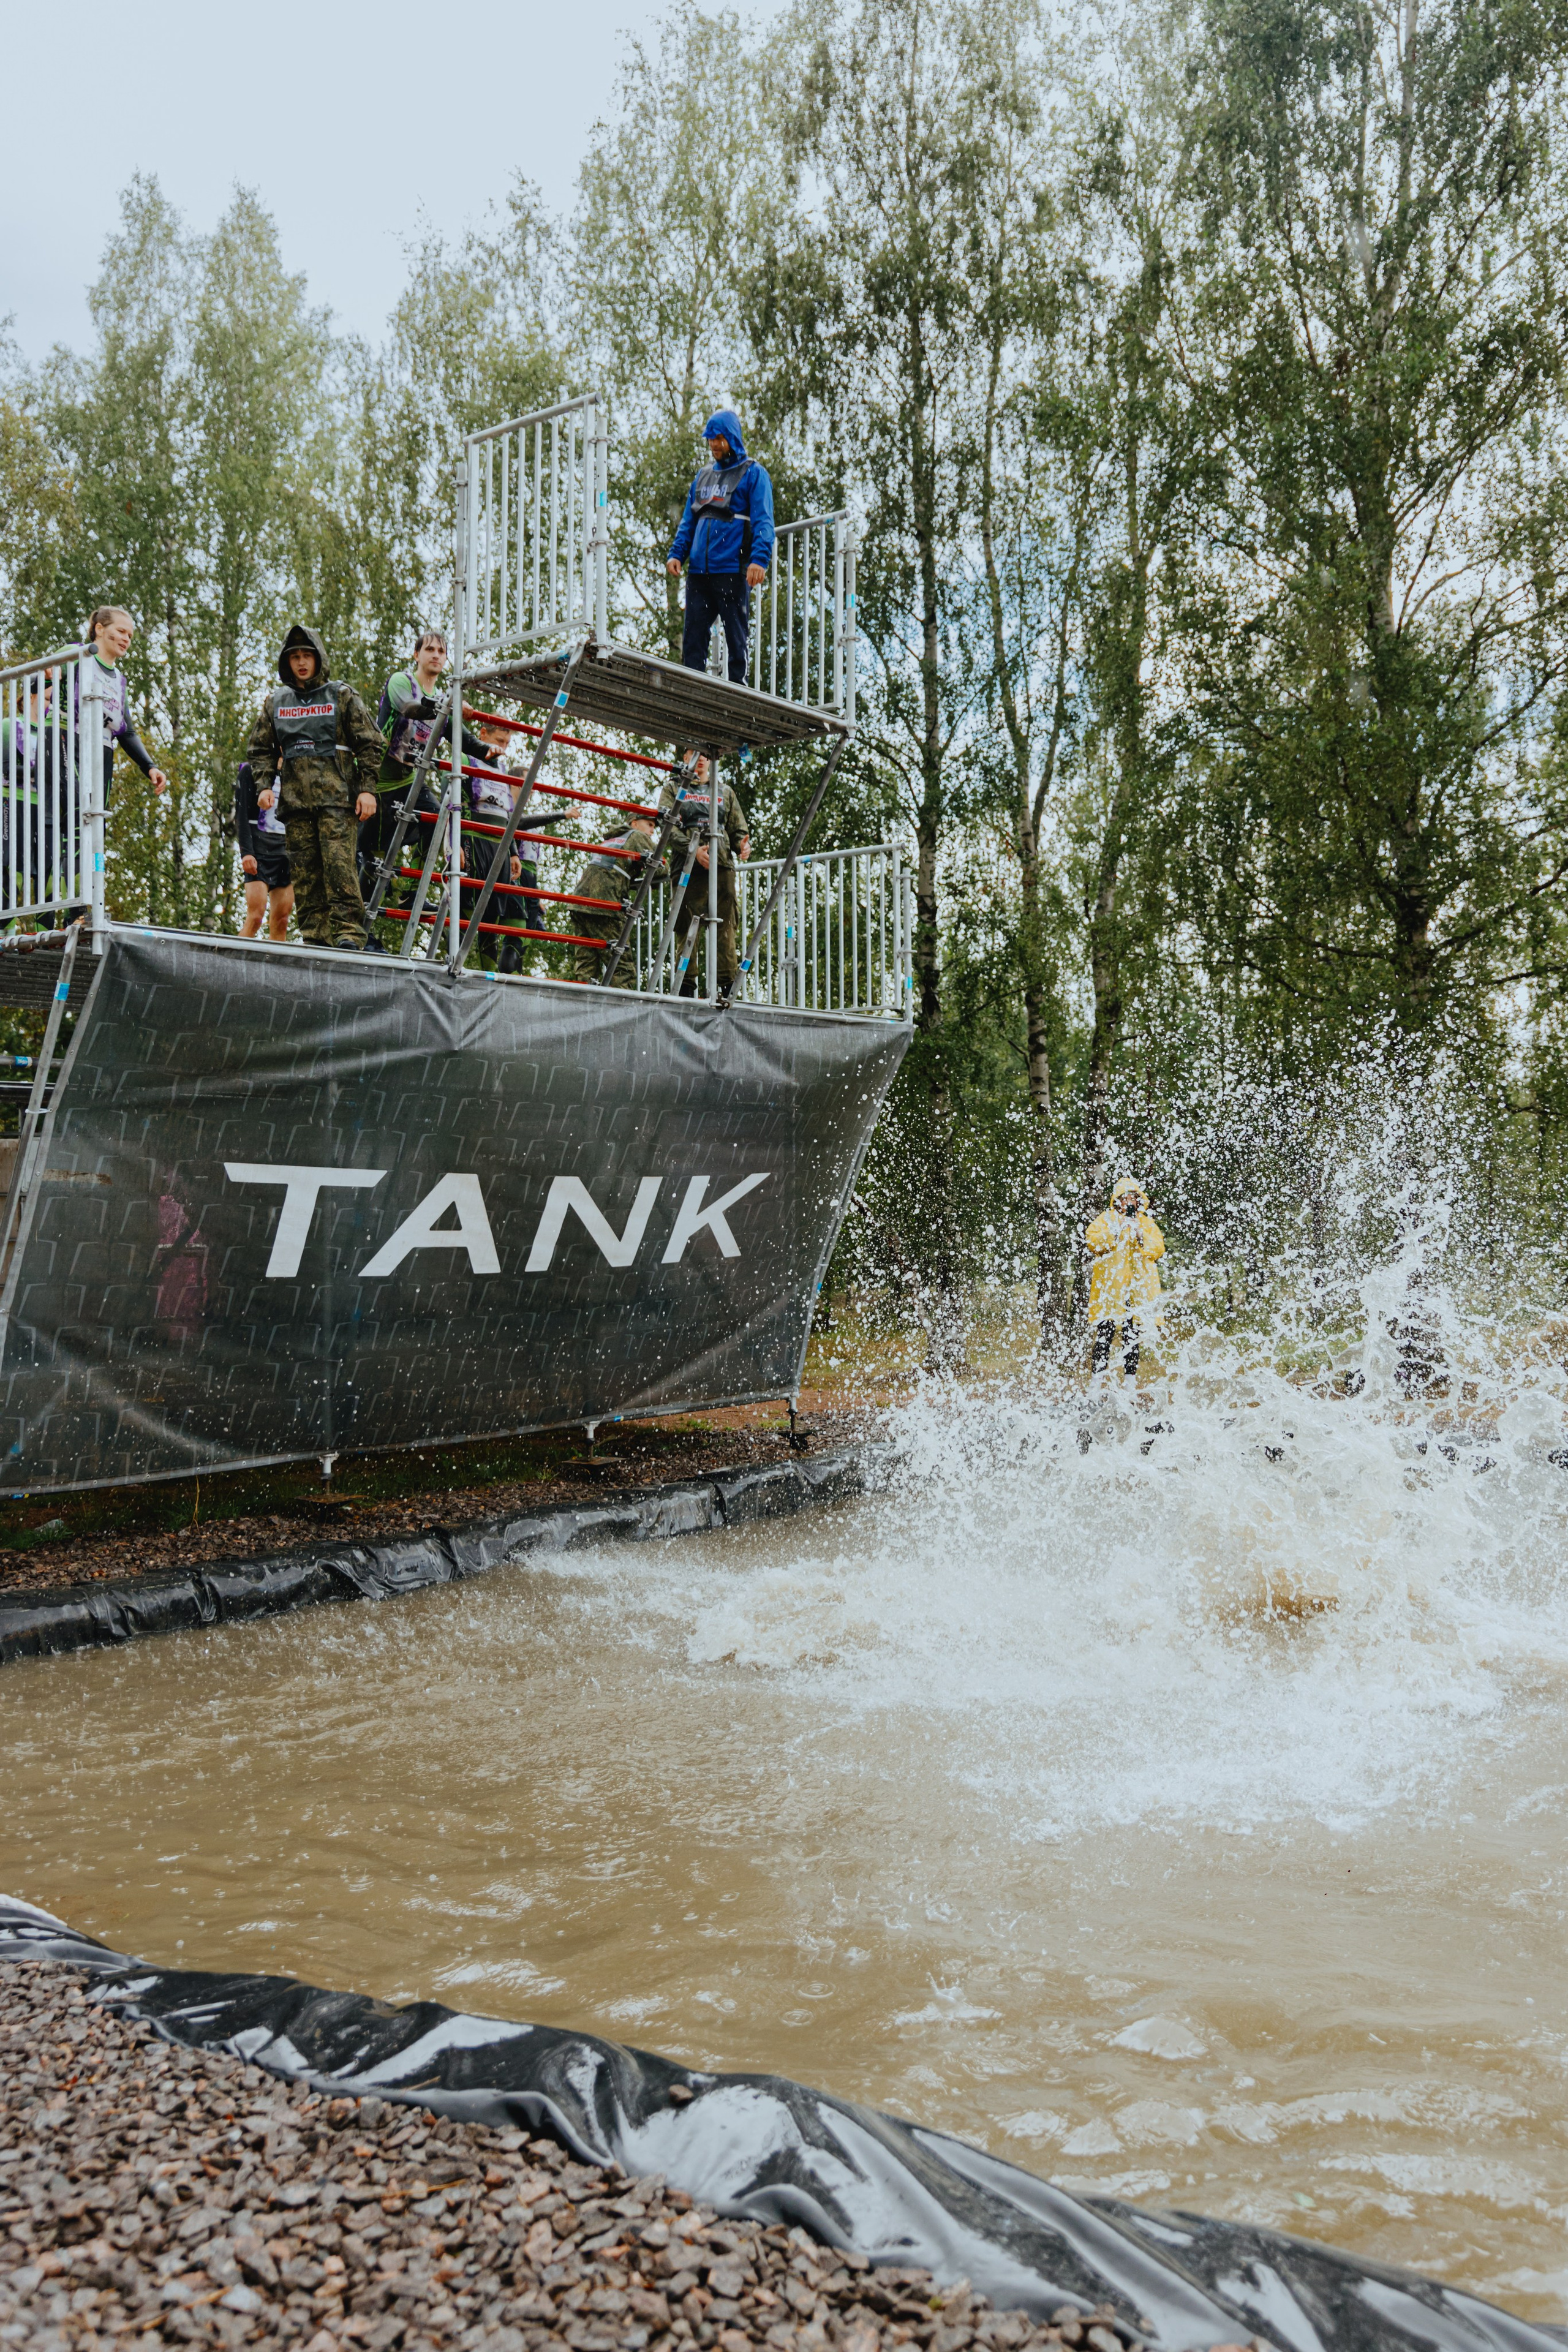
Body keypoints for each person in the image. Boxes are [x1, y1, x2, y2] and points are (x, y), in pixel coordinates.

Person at [247, 625, 382, 952]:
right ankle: (315, 939)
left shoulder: (341, 695)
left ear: (318, 657)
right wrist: (264, 784)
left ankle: (349, 934)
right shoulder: (276, 702)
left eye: (307, 655)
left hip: (337, 800)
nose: (302, 662)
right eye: (295, 657)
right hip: (294, 805)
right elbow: (260, 748)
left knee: (340, 868)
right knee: (305, 877)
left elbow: (371, 743)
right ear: (287, 662)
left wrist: (367, 789)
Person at [363, 630, 495, 911]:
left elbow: (465, 738)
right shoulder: (403, 682)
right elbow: (410, 709)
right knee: (375, 856)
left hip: (410, 780)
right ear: (417, 655)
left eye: (441, 651)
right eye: (430, 650)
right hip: (375, 779)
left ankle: (412, 896)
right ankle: (362, 914)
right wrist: (449, 706)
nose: (436, 655)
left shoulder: (441, 697)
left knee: (435, 822)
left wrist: (489, 753)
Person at [665, 410, 775, 684]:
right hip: (700, 573)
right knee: (693, 639)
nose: (713, 445)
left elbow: (764, 521)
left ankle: (739, 694)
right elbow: (689, 520)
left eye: (719, 439)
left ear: (732, 438)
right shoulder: (702, 477)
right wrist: (677, 553)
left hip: (732, 568)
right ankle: (692, 693)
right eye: (710, 439)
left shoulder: (753, 474)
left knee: (736, 639)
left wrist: (759, 560)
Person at [659, 752, 750, 998]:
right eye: (694, 752)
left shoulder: (724, 791)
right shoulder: (674, 788)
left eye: (706, 755)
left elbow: (737, 827)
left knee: (726, 923)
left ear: (712, 760)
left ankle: (727, 983)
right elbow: (666, 825)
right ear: (685, 755)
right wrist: (692, 850)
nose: (700, 758)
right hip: (687, 865)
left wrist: (742, 844)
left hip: (721, 864)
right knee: (686, 923)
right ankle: (686, 985)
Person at [77, 606, 168, 808]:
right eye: (120, 631)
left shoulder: (118, 681)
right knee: (72, 821)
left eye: (130, 635)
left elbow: (127, 732)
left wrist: (150, 767)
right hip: (71, 747)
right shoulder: (78, 658)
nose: (126, 639)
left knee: (96, 824)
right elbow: (39, 686)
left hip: (102, 755)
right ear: (99, 629)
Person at [1085, 1177, 1166, 1381]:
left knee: (1132, 1337)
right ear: (1117, 1200)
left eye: (1134, 1198)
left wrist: (1139, 1234)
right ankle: (1095, 1388)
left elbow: (1158, 1248)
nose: (1130, 1202)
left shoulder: (1146, 1223)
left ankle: (1129, 1389)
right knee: (1105, 1335)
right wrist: (1115, 1230)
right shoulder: (1107, 1219)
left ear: (1140, 1200)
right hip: (1111, 1290)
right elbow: (1092, 1241)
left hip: (1137, 1291)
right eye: (1126, 1198)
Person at [570, 825, 663, 987]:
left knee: (586, 965)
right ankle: (622, 1010)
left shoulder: (610, 840)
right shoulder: (637, 836)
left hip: (580, 901)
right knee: (622, 968)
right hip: (605, 903)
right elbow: (662, 869)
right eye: (648, 824)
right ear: (634, 823)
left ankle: (583, 1008)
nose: (652, 830)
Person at [233, 758, 294, 941]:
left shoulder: (298, 770)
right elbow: (241, 815)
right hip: (259, 850)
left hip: (287, 851)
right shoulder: (251, 770)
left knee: (282, 919)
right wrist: (247, 853)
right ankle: (235, 965)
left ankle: (275, 968)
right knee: (256, 916)